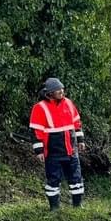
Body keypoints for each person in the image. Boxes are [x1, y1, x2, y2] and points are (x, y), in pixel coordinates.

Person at [29, 78, 85, 210]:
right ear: (49, 92)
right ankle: (54, 208)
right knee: (53, 180)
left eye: (62, 89)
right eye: (58, 90)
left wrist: (81, 140)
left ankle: (77, 206)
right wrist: (39, 151)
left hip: (71, 149)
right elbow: (36, 131)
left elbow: (77, 124)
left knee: (76, 178)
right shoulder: (39, 107)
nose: (61, 91)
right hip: (52, 151)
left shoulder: (69, 103)